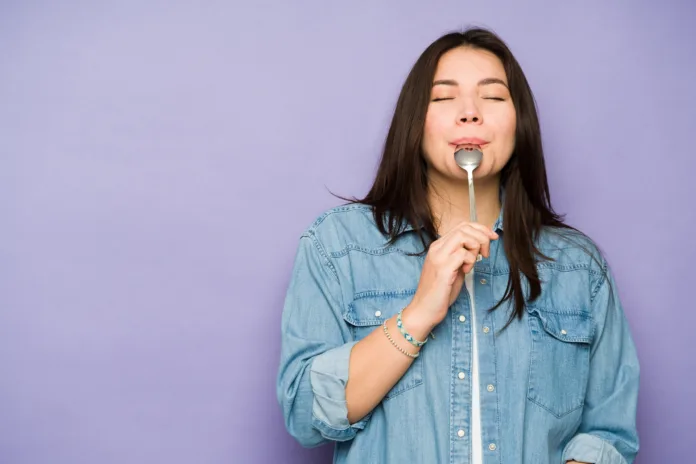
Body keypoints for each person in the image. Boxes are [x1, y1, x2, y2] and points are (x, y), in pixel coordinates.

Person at [276, 27, 639, 464]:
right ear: (415, 121)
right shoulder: (338, 246)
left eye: (493, 97)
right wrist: (420, 313)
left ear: (519, 120)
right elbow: (305, 413)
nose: (469, 113)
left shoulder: (578, 267)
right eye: (444, 98)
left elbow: (607, 434)